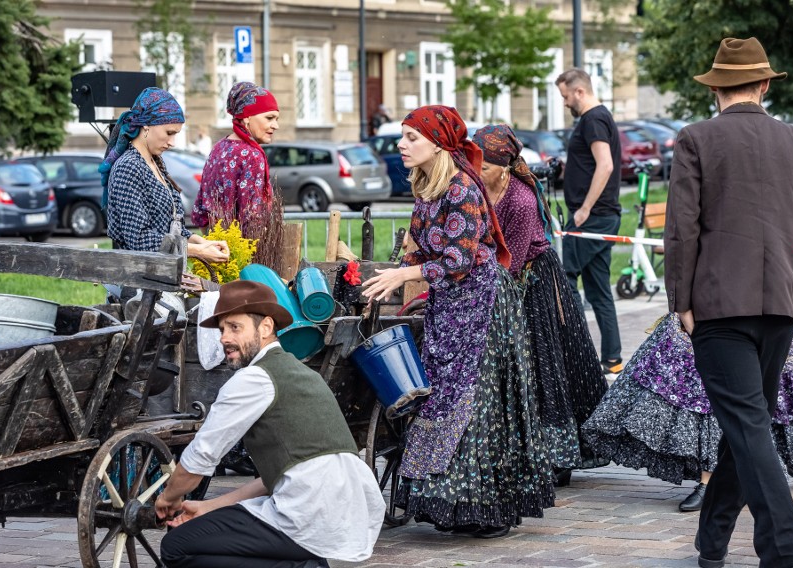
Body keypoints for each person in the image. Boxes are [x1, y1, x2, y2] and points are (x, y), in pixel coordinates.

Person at [363, 106, 555, 538]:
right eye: (403, 136)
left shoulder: (462, 187)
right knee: (443, 395)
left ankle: (485, 509)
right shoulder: (427, 186)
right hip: (451, 305)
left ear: (438, 143)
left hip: (483, 303)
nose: (401, 145)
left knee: (475, 402)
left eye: (411, 137)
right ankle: (446, 503)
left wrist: (407, 275)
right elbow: (423, 249)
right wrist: (389, 271)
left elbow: (459, 257)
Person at [665, 37, 793, 568]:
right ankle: (713, 542)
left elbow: (681, 229)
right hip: (780, 308)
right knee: (745, 423)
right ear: (765, 84)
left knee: (748, 425)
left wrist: (681, 300)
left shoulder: (696, 137)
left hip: (719, 307)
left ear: (716, 88)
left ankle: (783, 551)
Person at [155, 280, 384, 567]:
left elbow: (201, 456)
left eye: (235, 327)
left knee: (178, 546)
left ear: (265, 327)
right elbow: (277, 476)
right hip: (346, 512)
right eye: (222, 329)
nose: (225, 338)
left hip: (307, 513)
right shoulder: (301, 374)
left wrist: (168, 498)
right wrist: (207, 506)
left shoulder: (254, 379)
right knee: (210, 534)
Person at [472, 124, 609, 483]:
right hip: (500, 277)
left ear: (503, 166)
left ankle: (558, 456)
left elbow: (511, 261)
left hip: (533, 284)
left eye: (483, 166)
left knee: (542, 364)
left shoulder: (520, 199)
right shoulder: (479, 189)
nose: (476, 171)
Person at [582, 314, 793, 514]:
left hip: (778, 305)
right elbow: (681, 266)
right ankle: (709, 480)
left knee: (780, 386)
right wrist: (684, 310)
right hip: (717, 307)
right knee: (711, 387)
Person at [101, 87, 229, 264]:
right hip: (139, 284)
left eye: (175, 134)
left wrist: (200, 241)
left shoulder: (155, 162)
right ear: (146, 125)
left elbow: (170, 228)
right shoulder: (128, 167)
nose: (172, 142)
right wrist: (197, 251)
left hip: (162, 278)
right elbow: (140, 240)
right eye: (169, 133)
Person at [554, 69, 623, 375]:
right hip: (602, 215)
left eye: (565, 96)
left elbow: (605, 165)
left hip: (593, 217)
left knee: (566, 279)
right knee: (597, 290)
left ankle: (575, 356)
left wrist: (584, 209)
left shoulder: (593, 119)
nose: (565, 102)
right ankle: (612, 357)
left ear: (579, 92)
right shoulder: (599, 117)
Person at [192, 81, 280, 241]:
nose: (276, 125)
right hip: (242, 253)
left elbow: (200, 207)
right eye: (269, 118)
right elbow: (252, 219)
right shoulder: (252, 155)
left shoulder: (219, 147)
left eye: (276, 119)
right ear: (247, 118)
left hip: (213, 246)